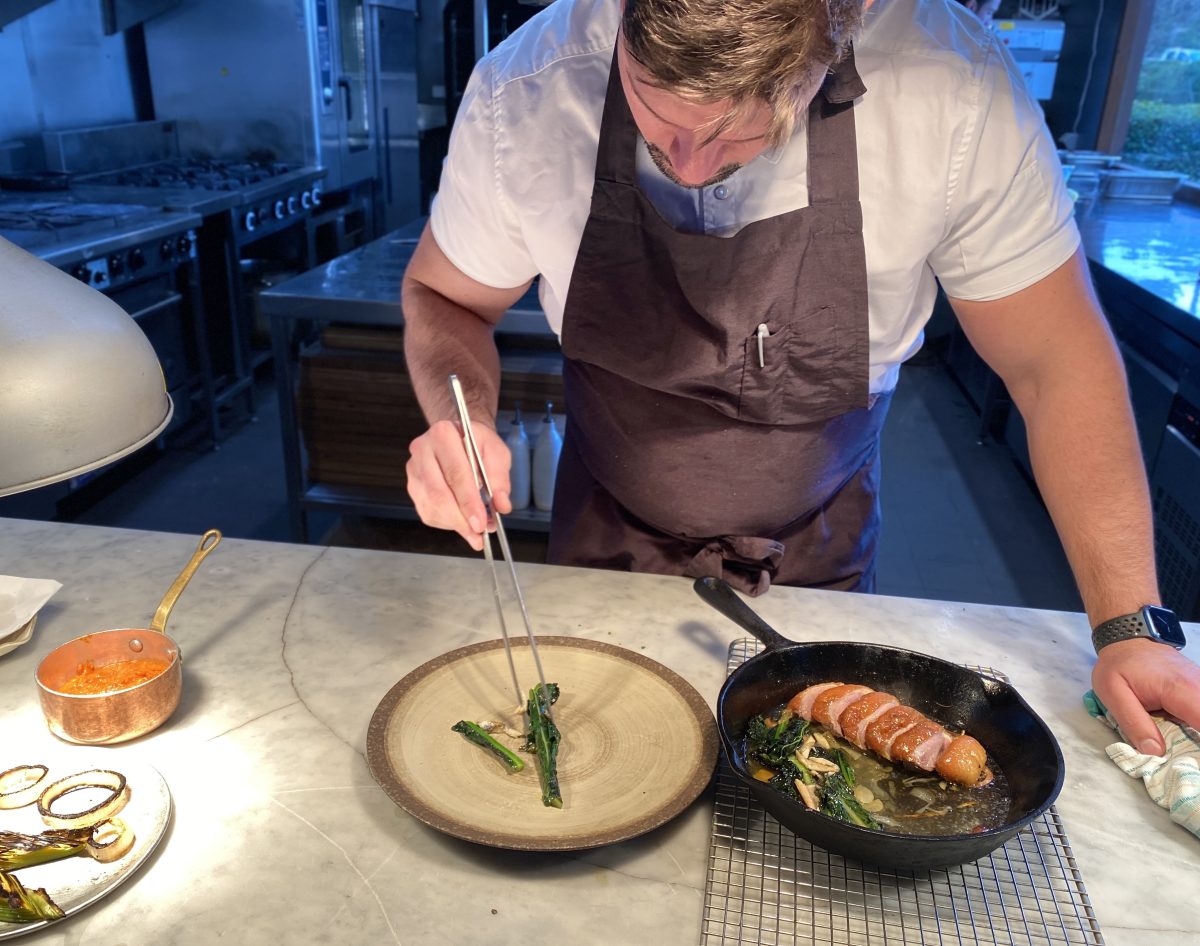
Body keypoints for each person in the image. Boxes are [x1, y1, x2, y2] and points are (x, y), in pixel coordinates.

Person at [401, 0, 1200, 755]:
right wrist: (455, 416)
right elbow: (442, 296)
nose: (686, 166)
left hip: (817, 565)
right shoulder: (528, 89)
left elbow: (1054, 361)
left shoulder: (954, 92)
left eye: (730, 138)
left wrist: (1132, 626)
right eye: (658, 120)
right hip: (602, 546)